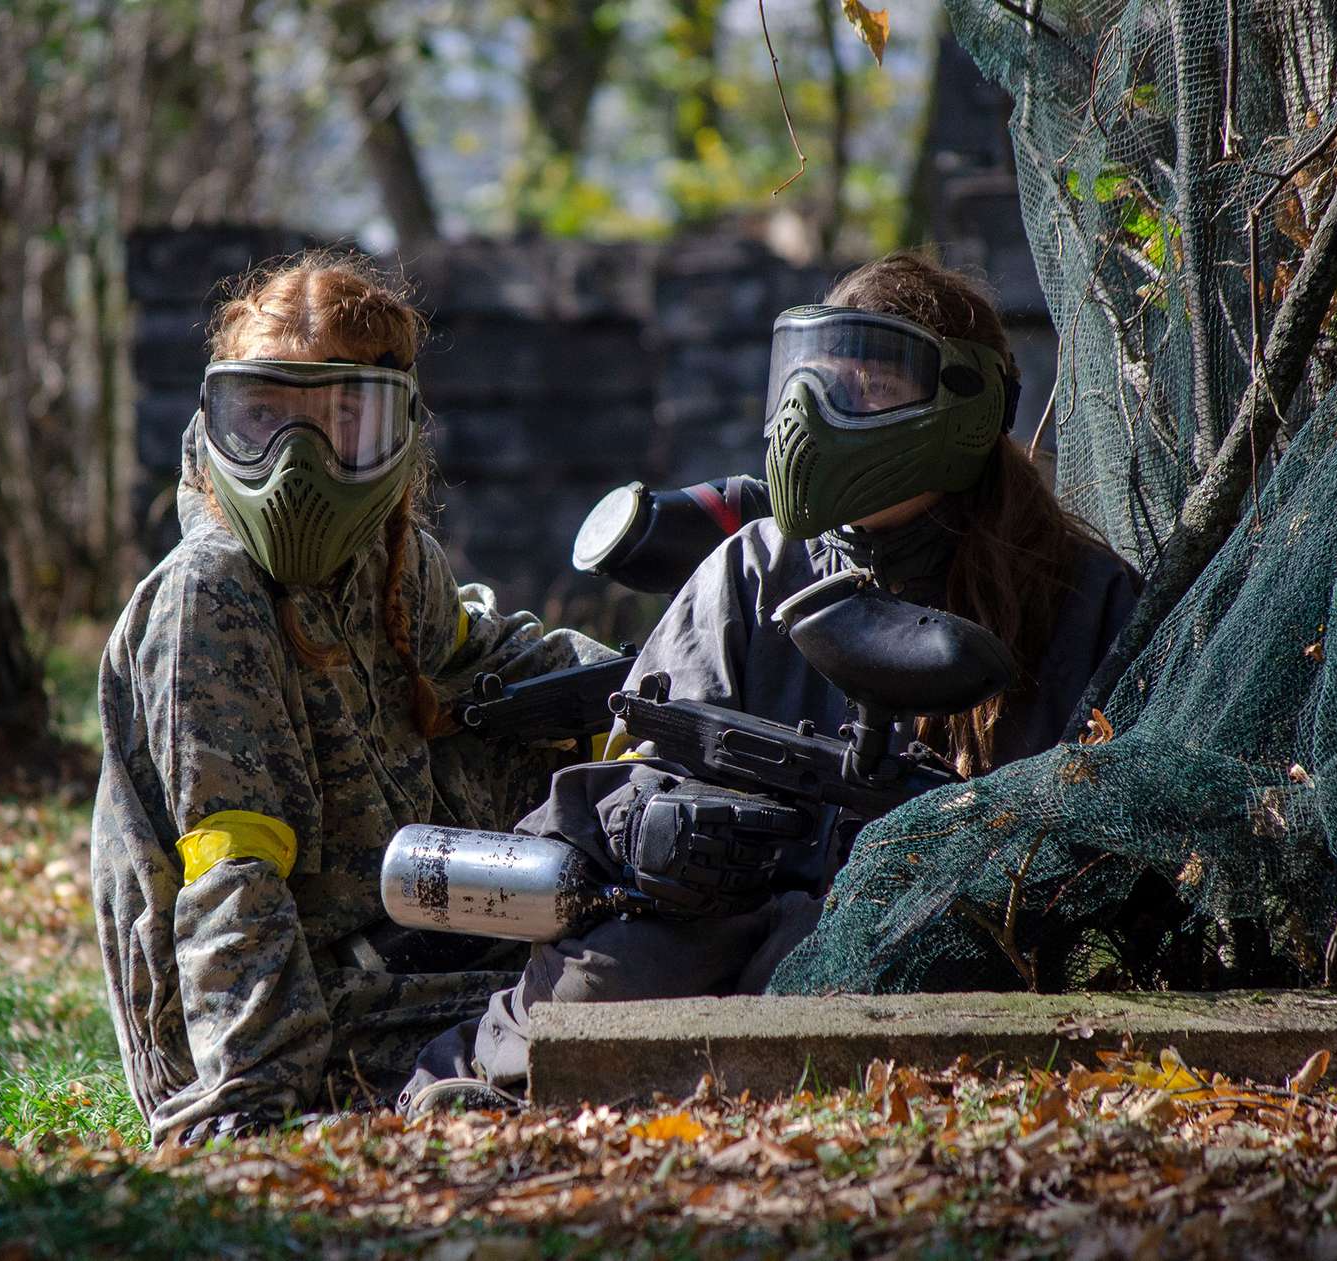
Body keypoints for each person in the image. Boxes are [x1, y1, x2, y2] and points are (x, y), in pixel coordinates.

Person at [404, 250, 1140, 1113]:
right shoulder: (755, 567)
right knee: (610, 973)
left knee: (860, 971)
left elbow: (1108, 818)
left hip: (939, 935)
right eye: (812, 383)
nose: (814, 418)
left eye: (868, 389)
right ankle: (473, 1087)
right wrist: (663, 832)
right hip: (728, 921)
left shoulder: (1079, 595)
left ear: (966, 408)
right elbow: (642, 760)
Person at [89, 250, 613, 1145]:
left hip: (389, 954)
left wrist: (651, 697)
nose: (299, 466)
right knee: (631, 978)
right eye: (265, 418)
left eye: (342, 421)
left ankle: (468, 1054)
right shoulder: (208, 593)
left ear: (398, 434)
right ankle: (435, 1076)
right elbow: (231, 880)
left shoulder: (391, 560)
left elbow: (497, 663)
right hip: (264, 1027)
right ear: (216, 421)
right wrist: (261, 1106)